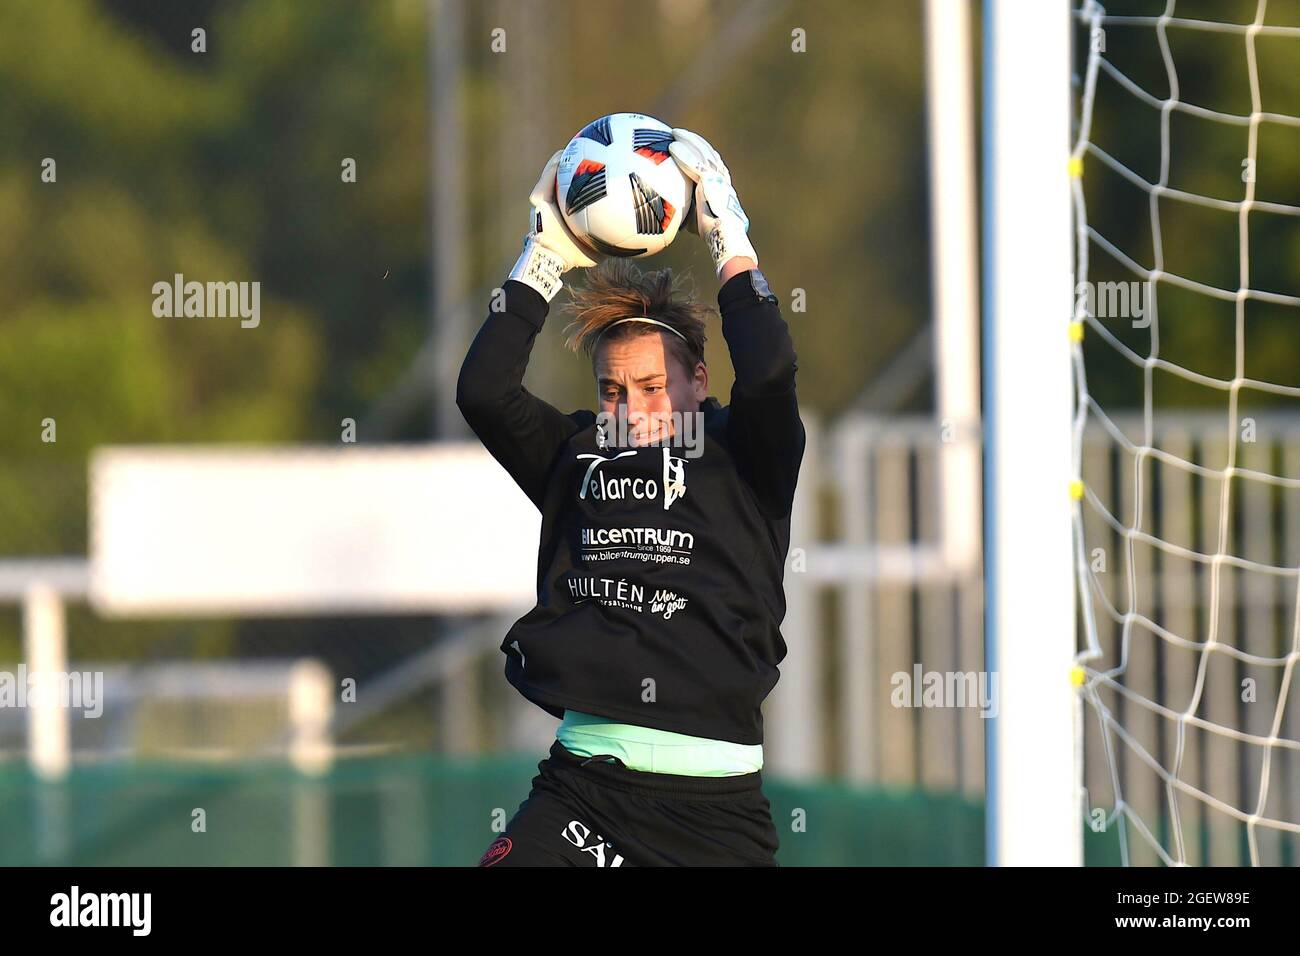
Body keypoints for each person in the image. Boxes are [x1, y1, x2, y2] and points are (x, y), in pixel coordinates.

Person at [457, 127, 805, 866]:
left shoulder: (746, 457)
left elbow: (771, 373)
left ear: (698, 384)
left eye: (652, 387)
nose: (630, 406)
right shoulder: (574, 457)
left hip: (715, 818)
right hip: (585, 793)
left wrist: (726, 237)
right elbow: (483, 391)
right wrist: (543, 257)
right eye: (612, 389)